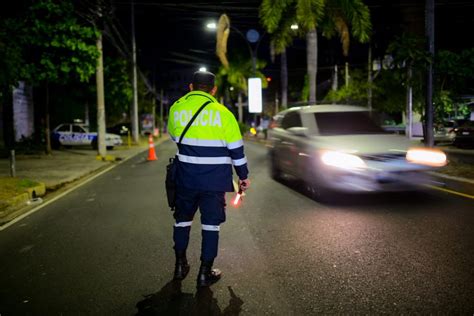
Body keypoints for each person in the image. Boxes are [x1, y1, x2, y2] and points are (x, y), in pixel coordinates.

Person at [167, 70, 250, 288]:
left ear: (191, 87)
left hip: (185, 179)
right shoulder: (223, 113)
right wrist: (243, 177)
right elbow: (237, 152)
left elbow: (175, 136)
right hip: (214, 182)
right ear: (213, 90)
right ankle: (205, 273)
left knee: (182, 221)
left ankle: (179, 266)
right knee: (210, 226)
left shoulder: (176, 109)